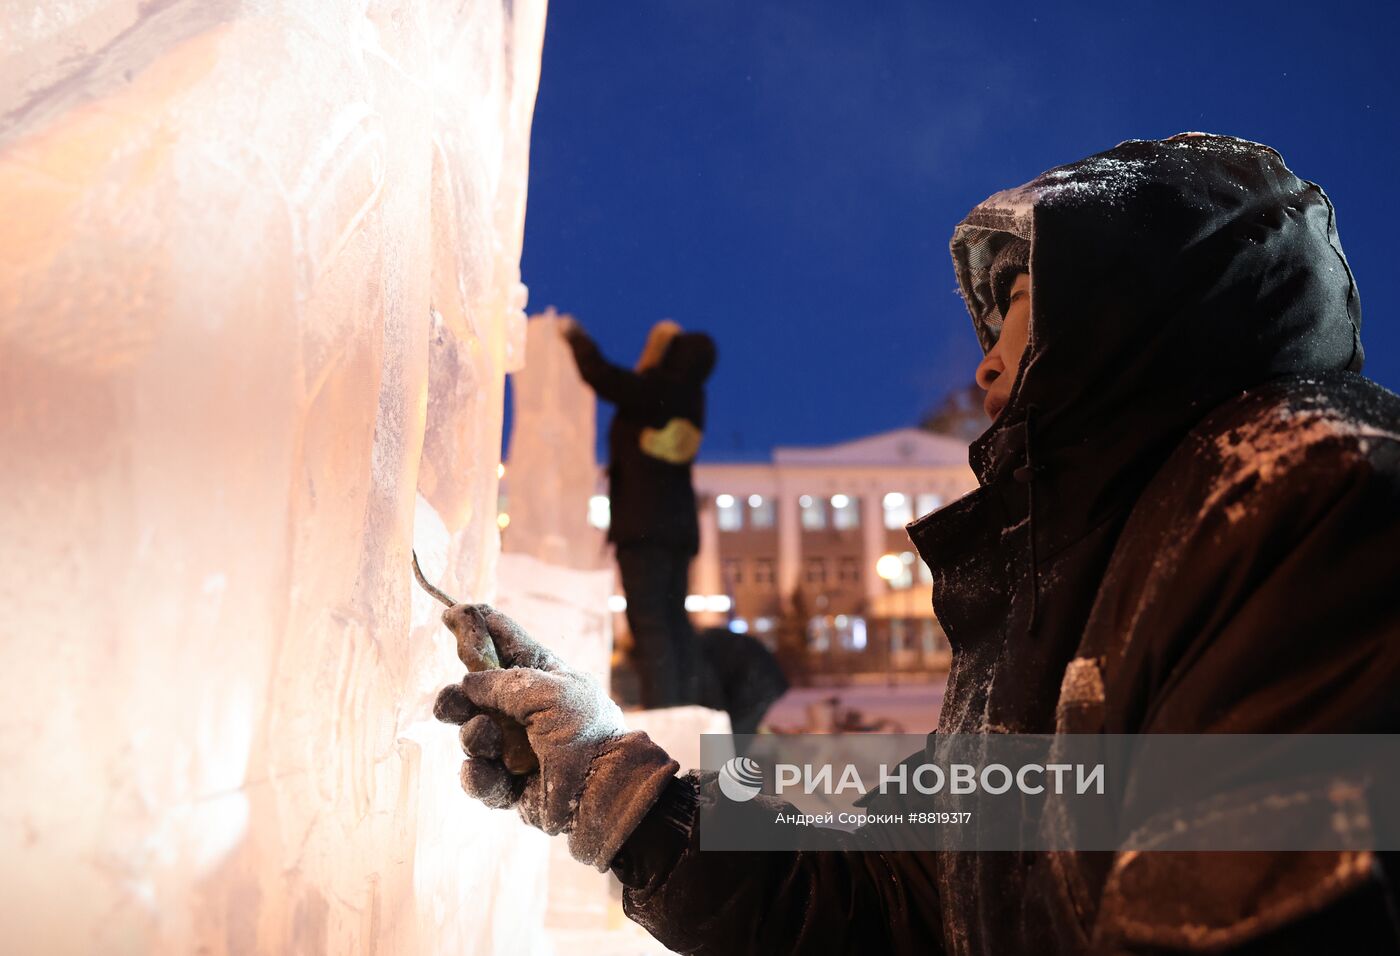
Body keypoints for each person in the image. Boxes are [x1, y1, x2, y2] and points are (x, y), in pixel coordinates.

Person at [434, 134, 1400, 953]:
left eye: (1018, 307)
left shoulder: (1306, 493)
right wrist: (621, 791)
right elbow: (893, 898)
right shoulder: (1052, 603)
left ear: (1128, 312)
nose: (983, 360)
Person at [559, 316, 718, 708]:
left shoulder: (661, 391)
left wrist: (576, 339)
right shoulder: (688, 395)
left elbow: (606, 379)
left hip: (645, 529)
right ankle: (685, 704)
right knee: (672, 621)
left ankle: (666, 709)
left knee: (651, 623)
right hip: (675, 530)